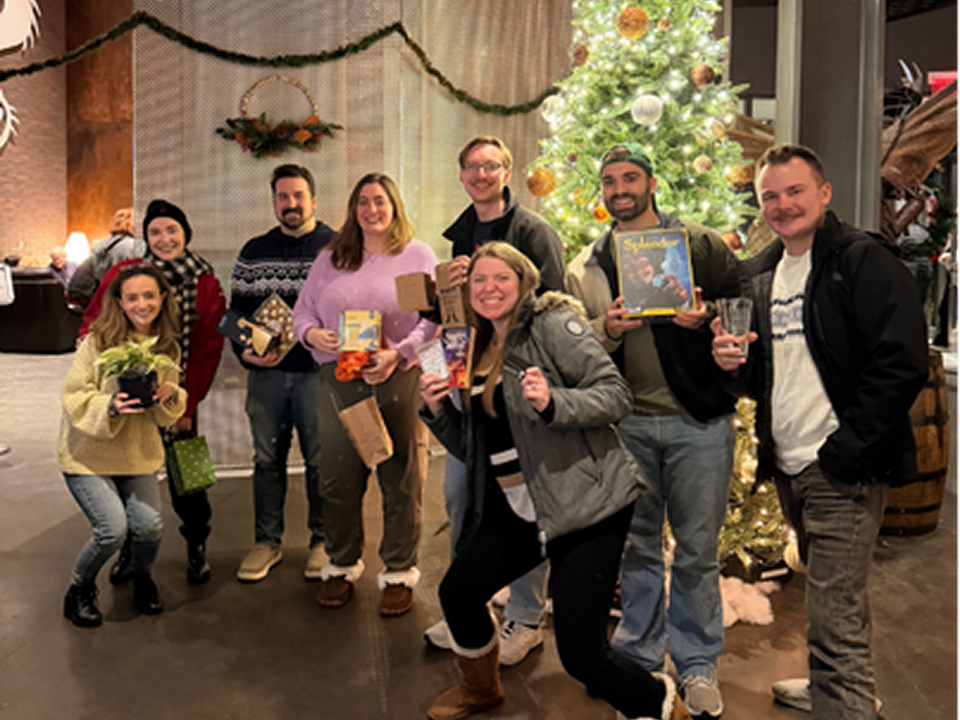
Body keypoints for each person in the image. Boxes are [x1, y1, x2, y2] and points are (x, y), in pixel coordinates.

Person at [419, 242, 691, 720]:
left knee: (581, 655)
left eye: (501, 278)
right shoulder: (474, 344)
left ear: (524, 282)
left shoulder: (551, 325)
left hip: (584, 502)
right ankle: (481, 688)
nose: (488, 289)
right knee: (458, 593)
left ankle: (659, 704)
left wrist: (554, 404)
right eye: (478, 280)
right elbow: (478, 450)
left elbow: (616, 395)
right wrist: (439, 411)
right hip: (518, 506)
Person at [711, 144, 928, 719]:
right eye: (770, 196)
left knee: (835, 612)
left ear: (824, 193)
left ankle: (846, 701)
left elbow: (902, 361)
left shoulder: (862, 260)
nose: (782, 206)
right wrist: (731, 365)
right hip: (789, 463)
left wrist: (847, 451)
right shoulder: (758, 273)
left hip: (841, 467)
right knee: (834, 600)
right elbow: (761, 376)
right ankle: (834, 686)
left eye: (794, 191)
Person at [565, 143, 741, 719]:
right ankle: (638, 660)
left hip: (698, 422)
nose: (619, 189)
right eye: (609, 180)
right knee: (636, 547)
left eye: (630, 177)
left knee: (696, 549)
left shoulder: (699, 244)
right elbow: (575, 343)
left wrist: (706, 314)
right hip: (628, 423)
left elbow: (741, 312)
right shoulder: (587, 262)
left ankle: (696, 664)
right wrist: (607, 328)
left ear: (652, 181)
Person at [427, 135, 565, 664]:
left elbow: (555, 302)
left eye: (491, 166)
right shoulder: (460, 235)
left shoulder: (534, 231)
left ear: (507, 172)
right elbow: (453, 317)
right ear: (461, 175)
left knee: (523, 507)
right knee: (463, 496)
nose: (481, 175)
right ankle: (470, 603)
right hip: (470, 382)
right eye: (472, 167)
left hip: (522, 392)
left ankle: (526, 617)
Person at [292, 172, 438, 617]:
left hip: (396, 377)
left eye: (380, 201)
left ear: (394, 206)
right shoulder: (332, 257)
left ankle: (398, 571)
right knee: (337, 475)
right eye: (363, 203)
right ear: (353, 210)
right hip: (338, 380)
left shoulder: (415, 256)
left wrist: (399, 354)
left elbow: (430, 320)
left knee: (402, 473)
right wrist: (314, 335)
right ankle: (340, 563)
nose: (372, 210)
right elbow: (302, 312)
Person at [81, 200, 225, 586]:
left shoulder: (204, 280)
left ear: (185, 234)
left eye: (172, 230)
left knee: (190, 483)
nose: (164, 239)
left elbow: (207, 350)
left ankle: (198, 546)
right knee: (130, 477)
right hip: (127, 401)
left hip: (177, 399)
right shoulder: (125, 273)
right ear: (146, 236)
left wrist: (187, 403)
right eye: (155, 232)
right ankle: (131, 550)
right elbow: (93, 322)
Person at [61, 264, 187, 627]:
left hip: (137, 454)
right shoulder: (97, 341)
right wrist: (110, 406)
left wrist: (170, 395)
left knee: (149, 527)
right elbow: (72, 395)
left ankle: (140, 575)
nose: (142, 304)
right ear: (119, 301)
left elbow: (165, 417)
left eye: (149, 296)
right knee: (112, 530)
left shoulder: (167, 348)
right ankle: (79, 588)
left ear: (163, 299)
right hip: (87, 455)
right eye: (132, 297)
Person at [230, 164, 335, 583]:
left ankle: (322, 541)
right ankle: (266, 542)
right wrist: (246, 353)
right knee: (267, 459)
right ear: (273, 201)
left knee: (320, 461)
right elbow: (235, 313)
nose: (291, 204)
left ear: (314, 199)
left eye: (298, 196)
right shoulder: (253, 250)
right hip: (267, 376)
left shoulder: (337, 247)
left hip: (319, 374)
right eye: (282, 197)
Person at [68, 208, 142, 309]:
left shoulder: (107, 242)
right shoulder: (127, 245)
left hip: (79, 294)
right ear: (130, 224)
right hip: (90, 297)